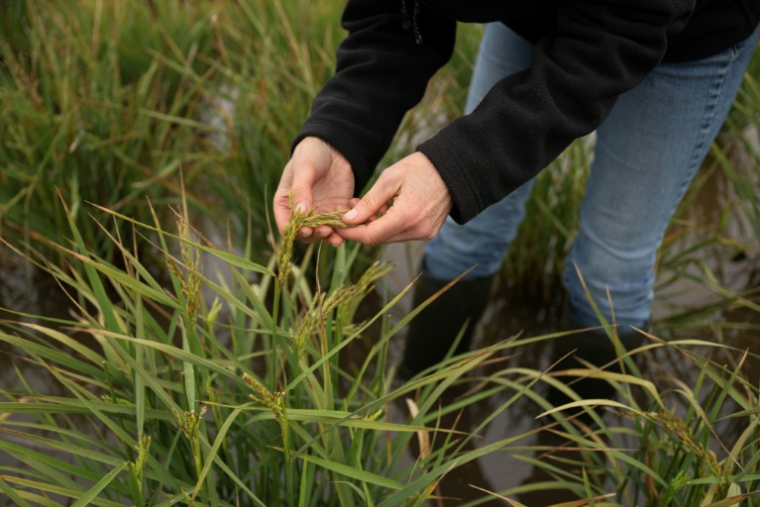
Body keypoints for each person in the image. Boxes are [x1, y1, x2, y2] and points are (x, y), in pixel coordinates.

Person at [274, 1, 760, 387]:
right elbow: (398, 16)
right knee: (466, 233)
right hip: (531, 16)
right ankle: (420, 399)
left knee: (611, 269)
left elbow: (624, 27)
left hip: (684, 37)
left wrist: (458, 166)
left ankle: (572, 450)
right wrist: (339, 134)